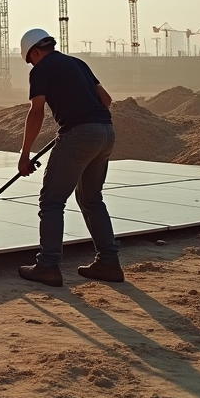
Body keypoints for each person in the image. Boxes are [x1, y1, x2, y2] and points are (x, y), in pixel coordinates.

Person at [16, 28, 123, 287]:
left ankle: (48, 266)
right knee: (92, 199)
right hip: (106, 132)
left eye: (30, 59)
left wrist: (25, 154)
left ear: (35, 52)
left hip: (79, 134)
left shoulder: (41, 69)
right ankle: (109, 263)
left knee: (52, 201)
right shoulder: (78, 63)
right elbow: (106, 100)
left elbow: (37, 111)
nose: (32, 63)